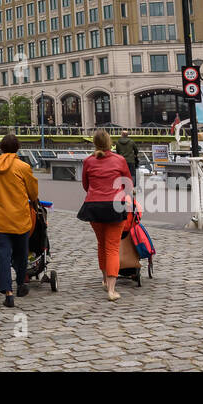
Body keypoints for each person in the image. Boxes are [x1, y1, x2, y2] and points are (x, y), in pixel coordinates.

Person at [0, 133, 40, 308]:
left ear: (1, 148)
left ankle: (7, 293)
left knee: (3, 255)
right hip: (19, 218)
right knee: (22, 254)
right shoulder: (23, 167)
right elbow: (33, 192)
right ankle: (21, 284)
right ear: (17, 148)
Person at [79, 128, 134, 301]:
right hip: (114, 206)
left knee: (101, 244)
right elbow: (128, 184)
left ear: (95, 143)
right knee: (112, 247)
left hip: (93, 206)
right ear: (110, 143)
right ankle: (111, 289)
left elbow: (85, 185)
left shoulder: (88, 161)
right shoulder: (120, 160)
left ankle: (104, 279)